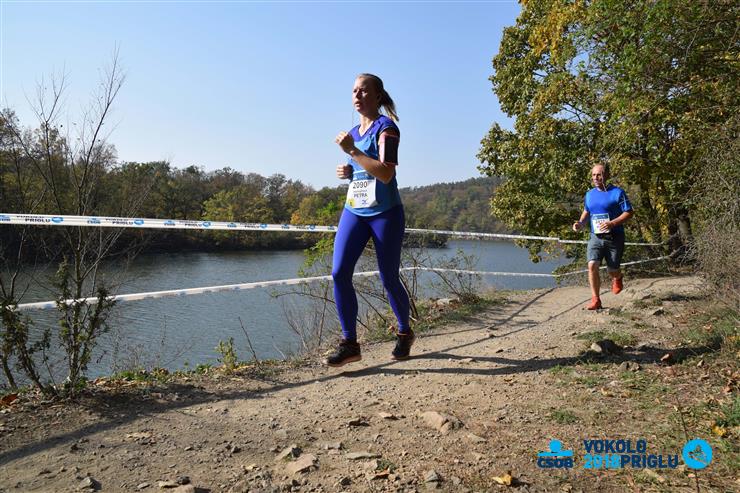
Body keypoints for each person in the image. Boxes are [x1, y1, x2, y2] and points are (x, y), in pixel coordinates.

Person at [324, 73, 413, 367]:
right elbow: (363, 169)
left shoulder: (387, 128)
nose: (357, 96)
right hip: (355, 211)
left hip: (385, 213)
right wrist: (348, 171)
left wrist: (352, 150)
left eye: (363, 91)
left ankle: (404, 332)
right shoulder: (354, 132)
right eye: (354, 91)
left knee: (388, 277)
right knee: (339, 273)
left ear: (377, 96)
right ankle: (350, 343)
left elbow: (386, 173)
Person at [572, 163, 634, 310]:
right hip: (596, 236)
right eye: (593, 175)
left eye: (599, 175)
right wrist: (580, 223)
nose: (595, 178)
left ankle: (617, 277)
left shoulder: (617, 193)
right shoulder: (590, 194)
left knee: (612, 269)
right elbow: (587, 211)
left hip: (614, 236)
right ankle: (596, 299)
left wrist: (613, 223)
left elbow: (629, 212)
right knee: (592, 265)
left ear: (607, 175)